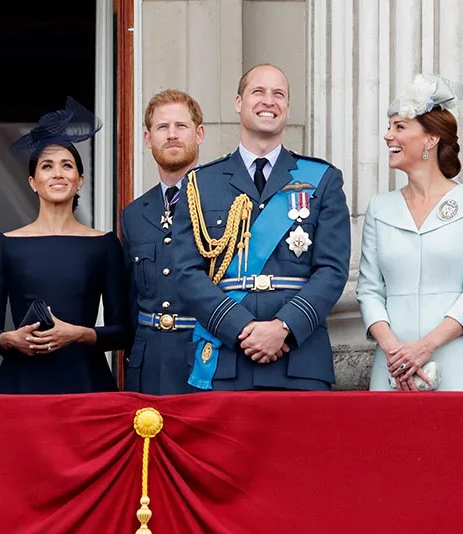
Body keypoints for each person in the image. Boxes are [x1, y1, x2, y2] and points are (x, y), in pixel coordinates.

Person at [171, 63, 350, 391]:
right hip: (226, 357)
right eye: (258, 92)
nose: (269, 101)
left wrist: (283, 327)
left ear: (287, 108)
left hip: (299, 358)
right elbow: (186, 272)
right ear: (239, 103)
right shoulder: (200, 184)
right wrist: (241, 328)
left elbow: (333, 271)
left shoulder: (321, 179)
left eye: (278, 94)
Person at [0, 97, 129, 394]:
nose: (58, 173)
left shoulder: (104, 244)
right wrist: (11, 339)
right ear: (33, 181)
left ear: (80, 179)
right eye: (47, 166)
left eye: (67, 166)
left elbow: (123, 332)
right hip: (21, 383)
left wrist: (79, 334)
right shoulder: (5, 245)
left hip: (85, 381)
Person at [357, 73, 463, 391]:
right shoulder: (380, 208)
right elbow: (369, 290)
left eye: (399, 127)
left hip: (454, 357)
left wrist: (426, 346)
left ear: (431, 139)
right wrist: (394, 349)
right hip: (392, 366)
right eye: (389, 127)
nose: (388, 136)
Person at [121, 89, 205, 394]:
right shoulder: (133, 214)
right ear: (147, 138)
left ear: (199, 134)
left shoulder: (223, 201)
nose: (171, 135)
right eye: (162, 127)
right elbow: (130, 299)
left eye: (180, 126)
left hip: (204, 359)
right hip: (148, 365)